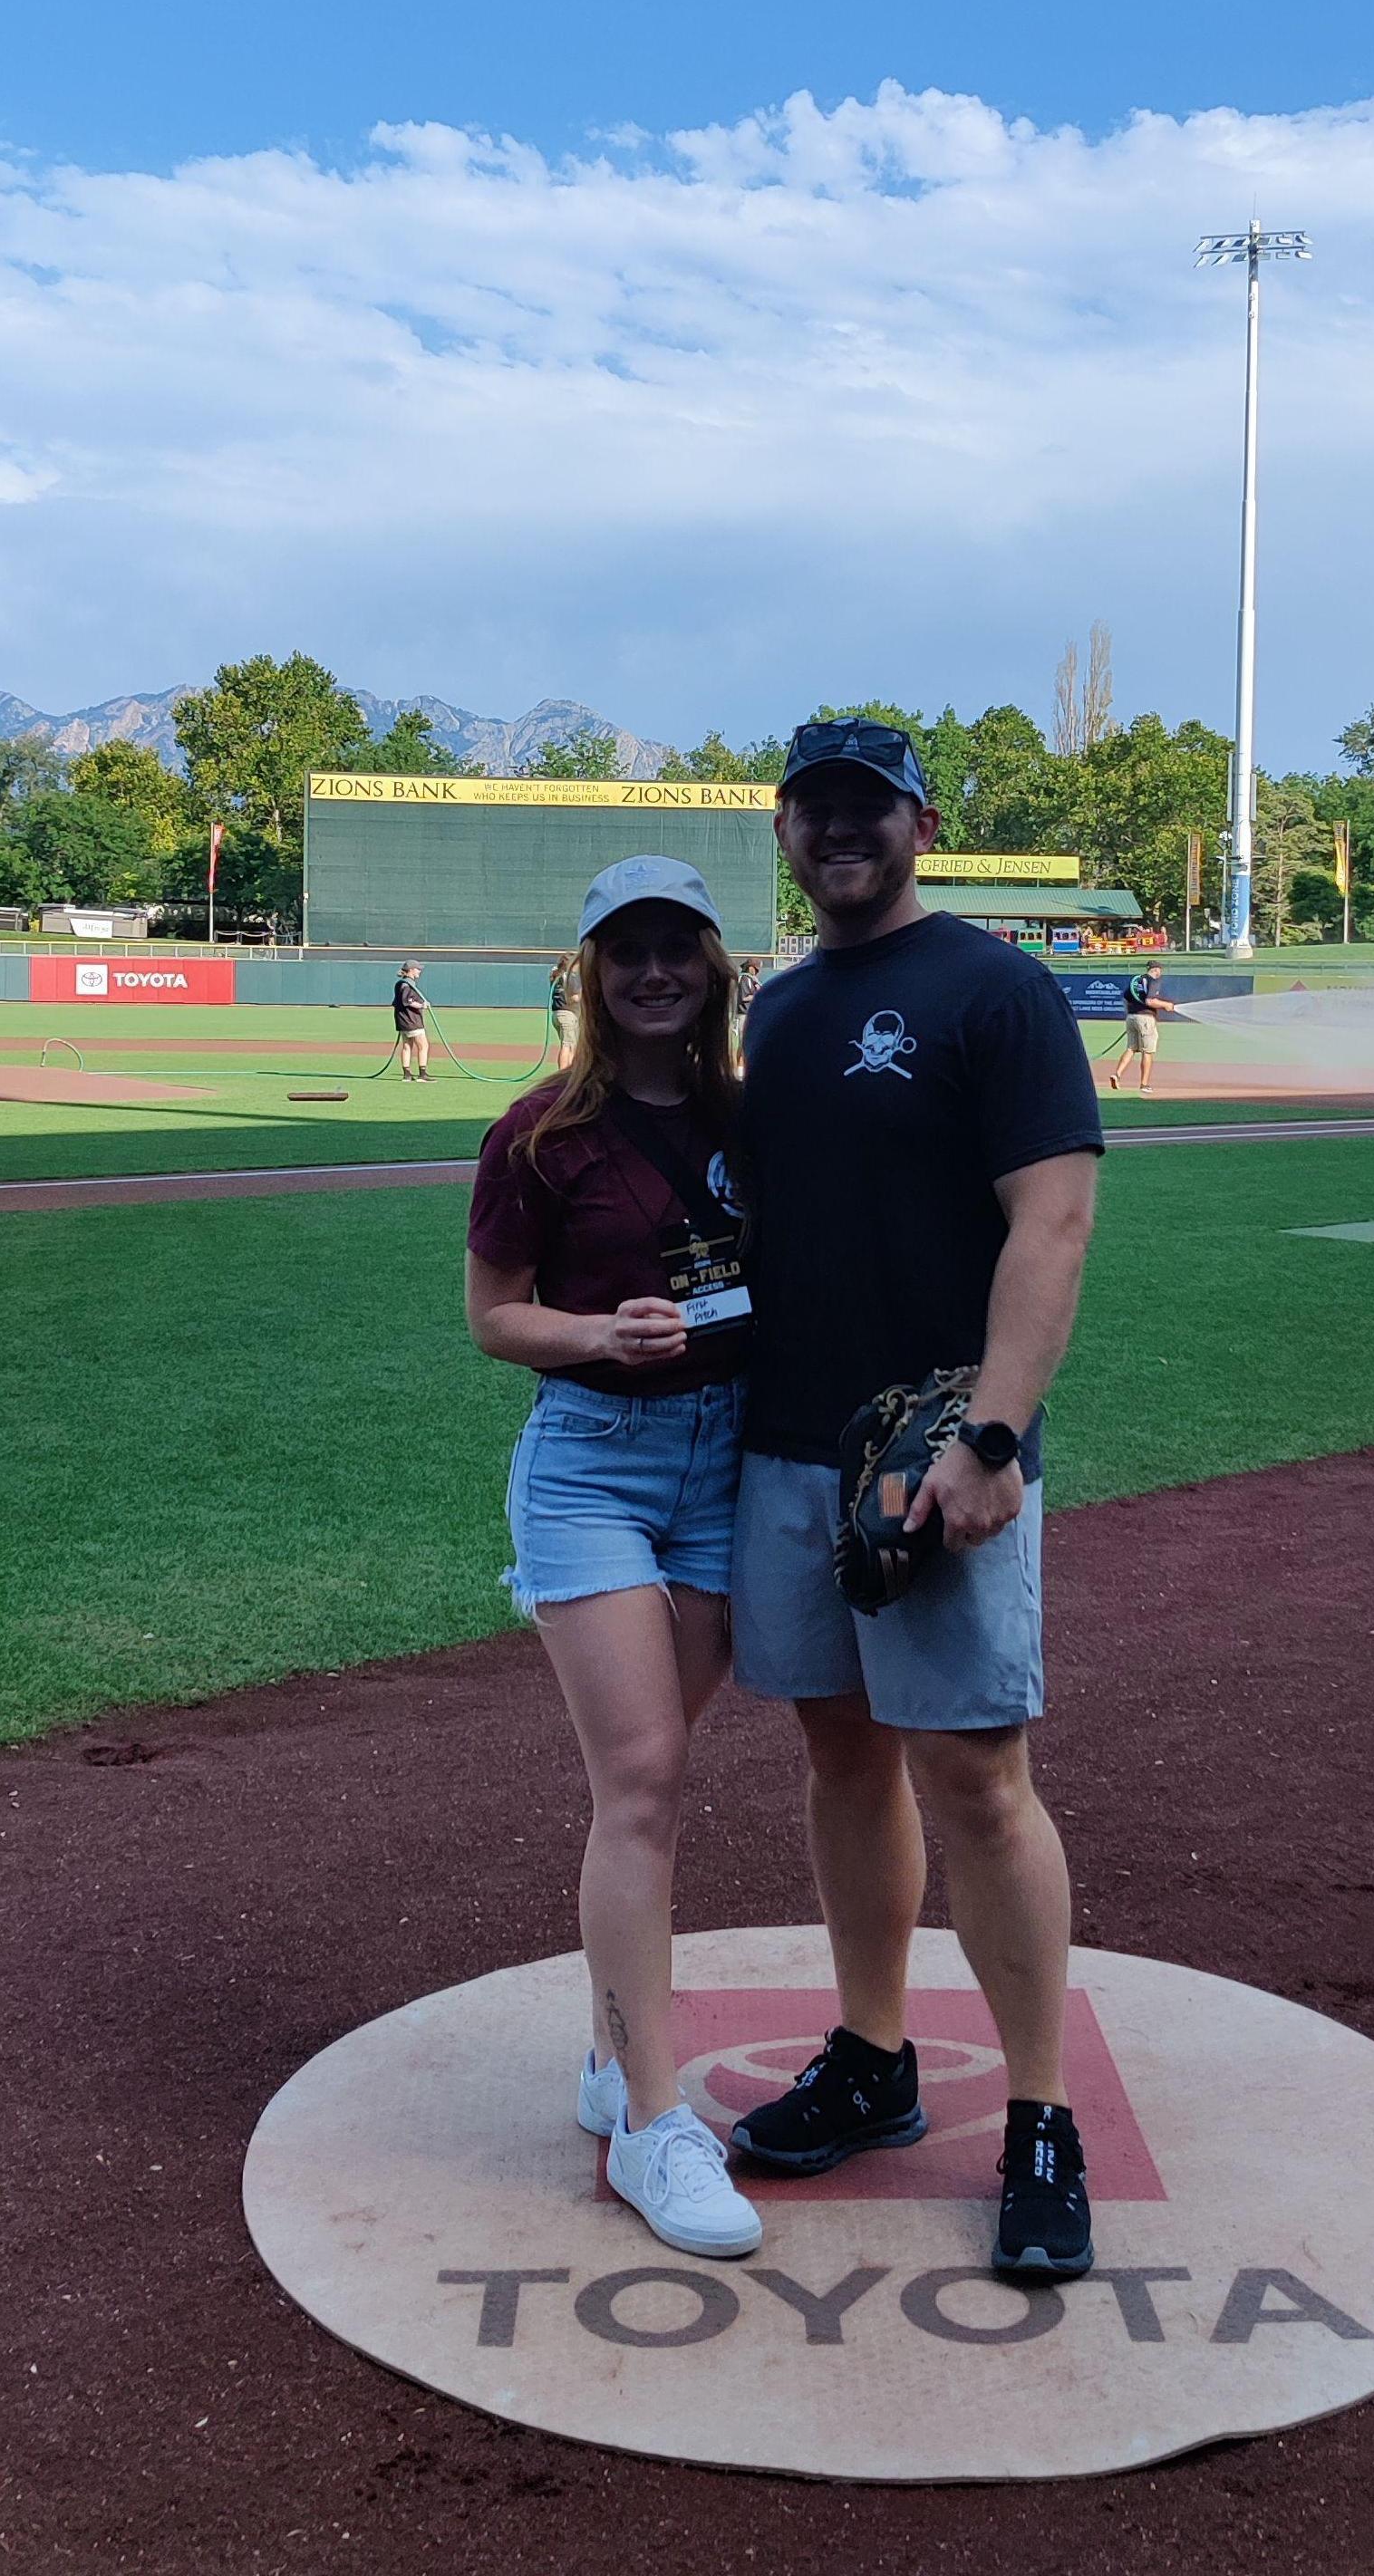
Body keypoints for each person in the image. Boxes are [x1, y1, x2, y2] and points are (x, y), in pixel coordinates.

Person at [724, 716, 1105, 2281]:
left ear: (920, 824)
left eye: (867, 807)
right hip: (788, 1443)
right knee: (839, 1750)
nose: (839, 830)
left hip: (937, 1447)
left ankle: (1037, 2114)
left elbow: (1053, 1221)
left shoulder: (992, 988)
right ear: (783, 829)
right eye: (813, 807)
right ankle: (874, 2055)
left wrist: (992, 1439)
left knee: (976, 1774)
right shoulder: (782, 1004)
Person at [464, 855, 762, 2261]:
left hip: (730, 1458)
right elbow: (493, 1317)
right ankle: (653, 2122)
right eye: (625, 951)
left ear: (711, 967)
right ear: (591, 972)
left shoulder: (752, 1122)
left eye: (675, 948)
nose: (652, 972)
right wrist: (599, 1334)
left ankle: (608, 2056)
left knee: (648, 1774)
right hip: (592, 1463)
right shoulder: (539, 1134)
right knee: (642, 1783)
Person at [1107, 963, 1186, 1095]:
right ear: (1156, 970)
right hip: (1146, 1019)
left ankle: (1117, 1074)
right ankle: (1144, 1084)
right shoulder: (1153, 981)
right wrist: (1166, 1005)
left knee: (1131, 1048)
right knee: (1147, 1051)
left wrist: (1132, 1014)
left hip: (1131, 1017)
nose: (1160, 974)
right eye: (1159, 971)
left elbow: (1125, 998)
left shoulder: (1136, 980)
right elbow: (1150, 1001)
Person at [389, 962, 432, 1080]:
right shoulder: (407, 985)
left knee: (407, 1046)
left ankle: (407, 1074)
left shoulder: (401, 984)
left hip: (402, 1020)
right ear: (411, 970)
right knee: (423, 1045)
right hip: (411, 1020)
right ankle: (422, 1074)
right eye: (418, 969)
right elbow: (408, 1001)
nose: (420, 971)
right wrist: (422, 1005)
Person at [548, 955, 581, 1066]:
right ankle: (564, 1071)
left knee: (569, 1045)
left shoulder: (557, 975)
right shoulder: (570, 977)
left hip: (557, 1014)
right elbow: (574, 998)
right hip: (568, 1015)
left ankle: (569, 1071)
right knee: (568, 1046)